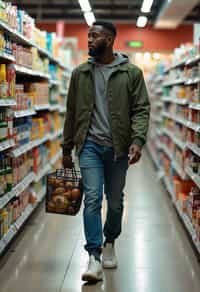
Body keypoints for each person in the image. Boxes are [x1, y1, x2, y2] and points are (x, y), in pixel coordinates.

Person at [62, 21, 150, 283]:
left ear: (110, 40)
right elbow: (71, 111)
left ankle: (110, 240)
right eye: (88, 36)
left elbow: (141, 109)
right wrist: (66, 147)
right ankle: (94, 256)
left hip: (118, 148)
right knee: (91, 198)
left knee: (115, 201)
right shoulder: (80, 74)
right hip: (88, 145)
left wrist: (137, 139)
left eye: (94, 36)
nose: (89, 40)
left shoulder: (131, 73)